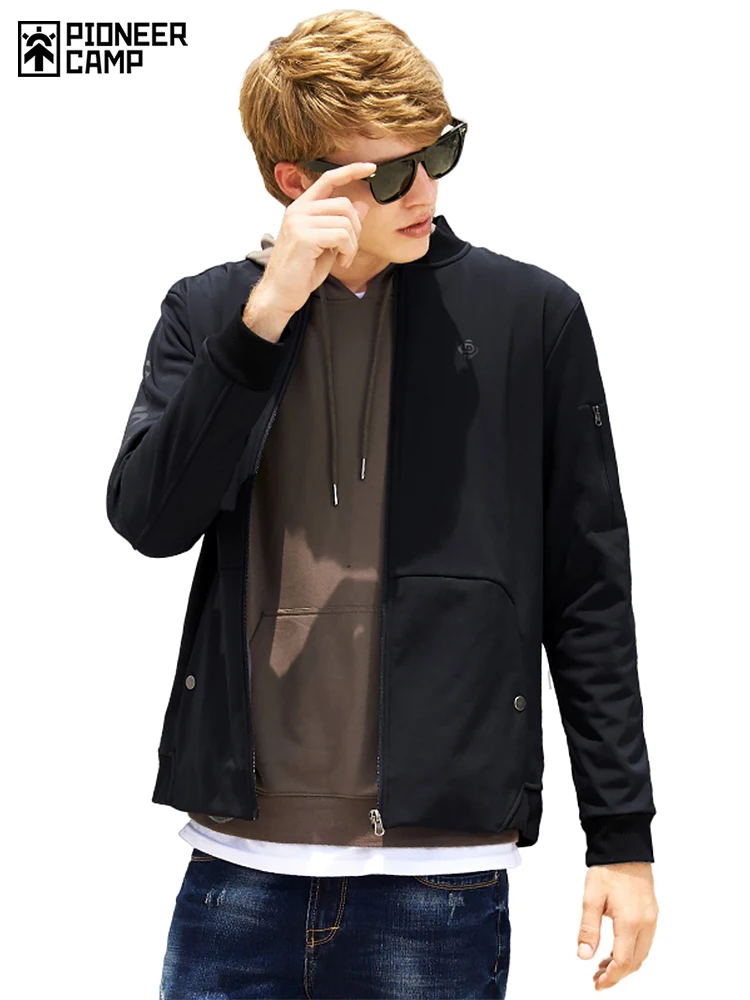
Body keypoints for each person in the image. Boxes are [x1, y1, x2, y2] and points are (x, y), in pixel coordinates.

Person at [105, 9, 659, 998]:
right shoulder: (212, 311)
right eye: (391, 174)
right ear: (298, 183)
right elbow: (151, 521)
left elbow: (588, 593)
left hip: (439, 879)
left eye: (438, 153)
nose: (427, 192)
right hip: (237, 865)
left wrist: (622, 838)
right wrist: (264, 319)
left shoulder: (530, 317)